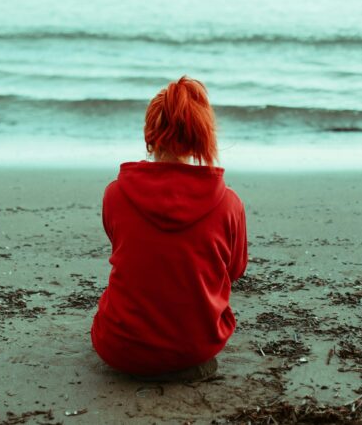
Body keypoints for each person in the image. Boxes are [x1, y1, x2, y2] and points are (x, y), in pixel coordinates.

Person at [90, 76, 248, 381]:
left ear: (150, 134)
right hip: (197, 347)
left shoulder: (115, 194)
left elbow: (126, 250)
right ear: (202, 137)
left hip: (119, 348)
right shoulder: (229, 203)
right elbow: (235, 269)